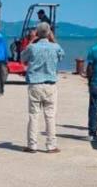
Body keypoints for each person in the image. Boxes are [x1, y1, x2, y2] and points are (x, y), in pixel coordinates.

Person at [21, 22, 64, 153]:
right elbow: (61, 55)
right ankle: (51, 145)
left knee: (34, 115)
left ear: (37, 33)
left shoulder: (33, 47)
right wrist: (53, 39)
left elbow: (23, 58)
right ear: (49, 33)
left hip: (35, 84)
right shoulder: (55, 47)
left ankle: (32, 145)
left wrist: (32, 40)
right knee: (50, 116)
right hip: (50, 85)